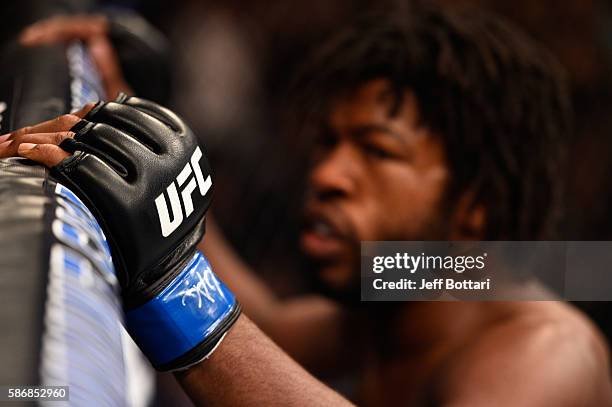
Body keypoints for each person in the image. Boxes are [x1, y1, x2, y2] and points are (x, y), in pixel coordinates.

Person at [4, 5, 612, 406]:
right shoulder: (412, 289)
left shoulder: (549, 352)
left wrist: (175, 288)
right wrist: (141, 143)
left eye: (378, 152)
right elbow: (265, 321)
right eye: (328, 144)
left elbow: (219, 319)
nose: (328, 175)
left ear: (477, 203)